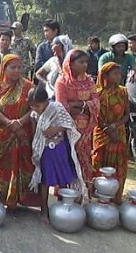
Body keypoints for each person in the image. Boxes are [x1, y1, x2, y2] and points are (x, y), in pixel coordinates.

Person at [28, 85, 87, 223]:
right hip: (45, 151)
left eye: (38, 105)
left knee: (64, 178)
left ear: (46, 101)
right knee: (45, 180)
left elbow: (69, 124)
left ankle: (65, 207)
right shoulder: (34, 114)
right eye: (33, 106)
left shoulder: (56, 108)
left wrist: (54, 129)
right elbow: (35, 133)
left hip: (59, 149)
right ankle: (44, 210)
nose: (36, 108)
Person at [0, 54, 42, 209]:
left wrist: (19, 122)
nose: (16, 71)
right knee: (5, 164)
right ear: (4, 69)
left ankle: (24, 198)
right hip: (3, 133)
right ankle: (5, 197)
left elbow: (35, 108)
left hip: (23, 132)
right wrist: (9, 123)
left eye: (19, 67)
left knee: (24, 163)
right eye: (12, 67)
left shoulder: (28, 86)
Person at [55, 49, 100, 193]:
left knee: (84, 158)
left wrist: (78, 104)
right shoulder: (62, 82)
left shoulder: (89, 80)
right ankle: (66, 192)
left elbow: (96, 102)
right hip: (68, 129)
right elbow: (61, 107)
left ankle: (84, 190)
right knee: (67, 158)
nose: (85, 65)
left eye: (86, 62)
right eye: (81, 62)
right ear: (71, 64)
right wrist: (84, 105)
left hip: (85, 130)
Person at [93, 62, 129, 203]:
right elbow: (95, 115)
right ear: (106, 75)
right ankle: (97, 194)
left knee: (117, 163)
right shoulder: (97, 93)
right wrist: (107, 128)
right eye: (115, 74)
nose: (118, 77)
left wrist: (115, 126)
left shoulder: (123, 92)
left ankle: (115, 195)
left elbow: (127, 115)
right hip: (101, 132)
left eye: (119, 74)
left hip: (118, 132)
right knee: (97, 161)